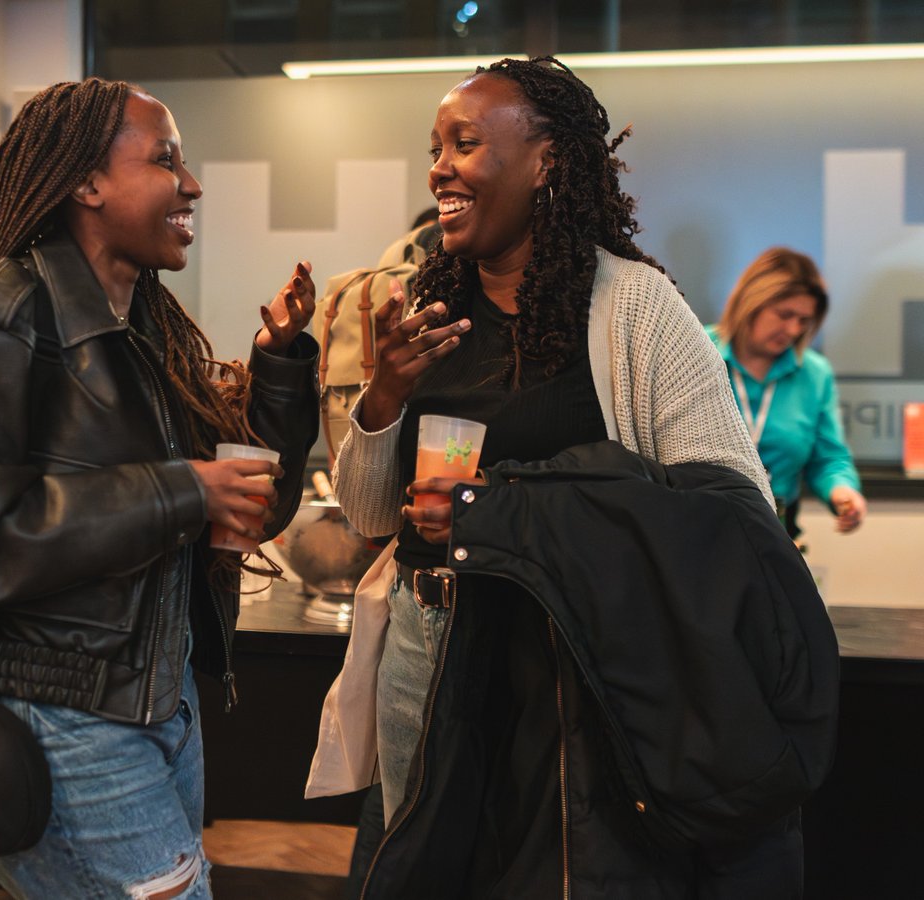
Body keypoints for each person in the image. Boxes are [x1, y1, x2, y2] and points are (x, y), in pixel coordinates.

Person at [306, 57, 823, 898]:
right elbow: (372, 519)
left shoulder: (634, 309)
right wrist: (384, 399)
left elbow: (734, 512)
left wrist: (501, 514)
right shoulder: (424, 305)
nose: (438, 166)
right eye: (435, 146)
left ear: (548, 162)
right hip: (432, 658)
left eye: (465, 143)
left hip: (580, 669)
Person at [0, 78, 319, 898]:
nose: (191, 185)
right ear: (86, 183)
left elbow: (256, 510)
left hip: (163, 701)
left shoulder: (144, 331)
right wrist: (183, 491)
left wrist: (278, 367)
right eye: (165, 161)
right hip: (66, 721)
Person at [709, 247, 866, 537]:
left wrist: (844, 493)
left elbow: (829, 458)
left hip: (776, 528)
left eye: (804, 321)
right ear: (751, 303)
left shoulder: (814, 374)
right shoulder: (696, 352)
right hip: (700, 524)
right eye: (784, 315)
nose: (793, 330)